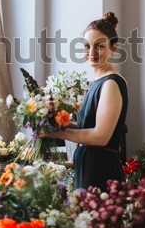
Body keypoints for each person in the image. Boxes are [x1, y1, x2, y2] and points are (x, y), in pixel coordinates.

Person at [40, 11, 128, 191]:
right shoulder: (97, 82)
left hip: (101, 171)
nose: (92, 52)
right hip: (88, 168)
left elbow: (101, 137)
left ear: (114, 48)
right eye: (87, 46)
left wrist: (56, 134)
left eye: (99, 46)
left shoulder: (111, 83)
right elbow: (85, 126)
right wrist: (53, 122)